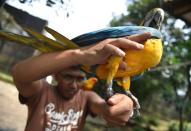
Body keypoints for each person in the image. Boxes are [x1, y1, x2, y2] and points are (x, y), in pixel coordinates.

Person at [12, 32, 151, 131]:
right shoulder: (41, 92)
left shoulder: (87, 98)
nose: (73, 85)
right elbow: (20, 74)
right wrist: (79, 55)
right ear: (56, 76)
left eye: (79, 78)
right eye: (68, 77)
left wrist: (120, 105)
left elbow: (104, 107)